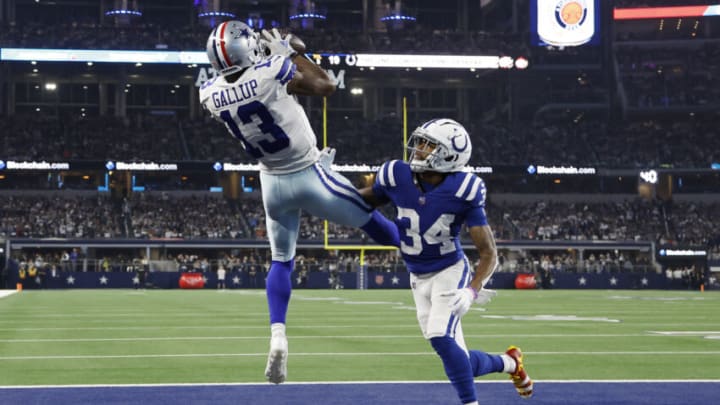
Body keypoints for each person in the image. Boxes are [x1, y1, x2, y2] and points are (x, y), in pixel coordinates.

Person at [199, 21, 399, 384]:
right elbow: (326, 85)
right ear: (244, 50)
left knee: (281, 260)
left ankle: (277, 335)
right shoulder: (271, 70)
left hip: (271, 184)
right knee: (372, 220)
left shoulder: (209, 93)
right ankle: (431, 261)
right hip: (308, 175)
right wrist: (292, 53)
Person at [360, 118, 533, 404]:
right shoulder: (396, 175)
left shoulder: (463, 189)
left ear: (449, 155)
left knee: (440, 336)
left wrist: (472, 289)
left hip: (449, 270)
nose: (418, 149)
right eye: (421, 142)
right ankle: (511, 363)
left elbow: (489, 253)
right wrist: (329, 188)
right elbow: (363, 201)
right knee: (459, 360)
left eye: (428, 145)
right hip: (417, 276)